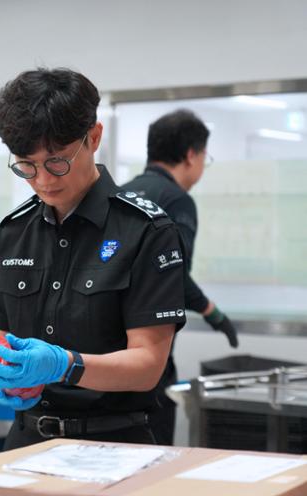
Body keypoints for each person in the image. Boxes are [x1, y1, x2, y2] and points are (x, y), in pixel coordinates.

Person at [0, 68, 186, 450]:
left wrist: (65, 365)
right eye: (26, 165)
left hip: (115, 444)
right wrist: (7, 375)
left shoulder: (146, 231)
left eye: (57, 161)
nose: (43, 180)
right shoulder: (12, 234)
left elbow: (148, 365)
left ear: (94, 137)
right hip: (27, 442)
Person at [122, 109, 238, 445]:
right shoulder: (177, 201)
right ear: (191, 154)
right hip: (150, 353)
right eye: (205, 156)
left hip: (110, 356)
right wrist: (212, 312)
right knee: (151, 453)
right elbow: (173, 274)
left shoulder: (119, 195)